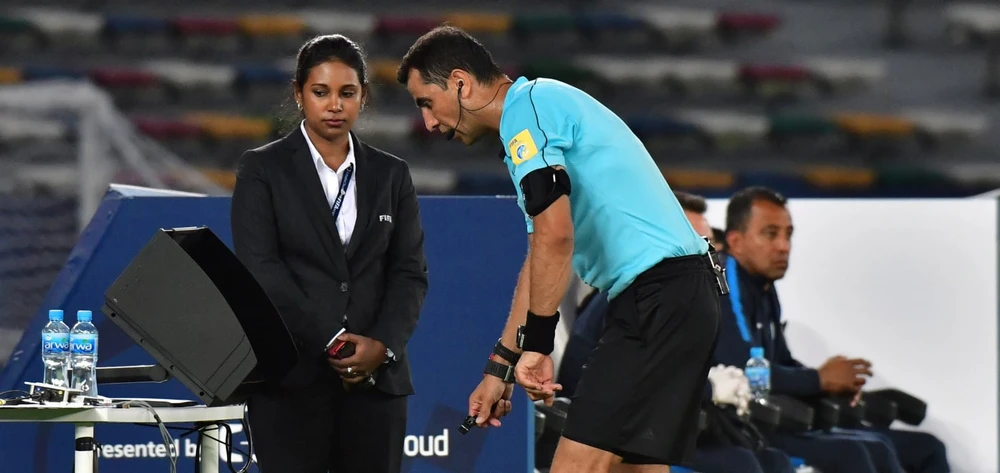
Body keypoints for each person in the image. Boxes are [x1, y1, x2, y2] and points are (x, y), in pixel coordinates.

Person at [397, 25, 722, 473]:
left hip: (658, 300)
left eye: (426, 102)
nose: (429, 123)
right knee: (633, 468)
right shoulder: (537, 113)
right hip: (682, 297)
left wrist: (539, 344)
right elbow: (542, 256)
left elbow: (557, 238)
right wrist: (501, 366)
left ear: (460, 83)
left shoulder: (525, 115)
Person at [230, 34, 428, 473]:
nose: (335, 105)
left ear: (363, 96)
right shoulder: (262, 169)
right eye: (321, 92)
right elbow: (261, 269)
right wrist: (333, 341)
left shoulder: (392, 174)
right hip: (290, 383)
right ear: (299, 94)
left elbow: (409, 272)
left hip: (377, 386)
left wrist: (382, 346)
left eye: (347, 93)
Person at [714, 186, 950, 473]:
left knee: (927, 448)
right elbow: (744, 372)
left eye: (788, 234)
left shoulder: (764, 286)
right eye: (770, 234)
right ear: (736, 241)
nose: (784, 246)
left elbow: (781, 361)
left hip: (782, 421)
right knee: (859, 452)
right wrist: (818, 380)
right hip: (744, 431)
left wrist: (833, 387)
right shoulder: (726, 282)